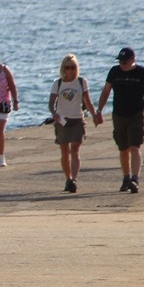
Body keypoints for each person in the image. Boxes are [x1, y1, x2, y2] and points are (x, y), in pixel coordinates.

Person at [95, 47, 144, 194]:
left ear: (133, 60)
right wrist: (99, 110)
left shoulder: (142, 73)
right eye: (120, 62)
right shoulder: (114, 72)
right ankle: (126, 178)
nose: (122, 65)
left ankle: (135, 179)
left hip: (136, 114)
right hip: (118, 115)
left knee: (134, 146)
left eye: (125, 62)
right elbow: (106, 91)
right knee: (123, 148)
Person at [47, 54, 95, 193]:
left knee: (75, 148)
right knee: (64, 151)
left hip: (77, 120)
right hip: (62, 120)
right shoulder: (58, 83)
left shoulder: (81, 82)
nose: (70, 70)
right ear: (63, 69)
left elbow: (88, 101)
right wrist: (54, 113)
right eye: (67, 67)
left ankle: (73, 179)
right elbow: (51, 103)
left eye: (73, 67)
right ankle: (67, 178)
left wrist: (95, 115)